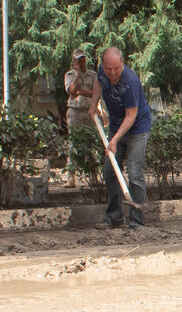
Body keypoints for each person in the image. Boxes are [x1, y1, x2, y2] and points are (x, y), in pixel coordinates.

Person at [90, 47, 151, 230]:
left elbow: (131, 116)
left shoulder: (130, 82)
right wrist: (94, 105)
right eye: (109, 68)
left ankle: (136, 221)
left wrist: (115, 140)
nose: (112, 72)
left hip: (137, 129)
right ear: (103, 66)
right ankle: (114, 217)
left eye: (116, 68)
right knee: (110, 172)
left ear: (122, 63)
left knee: (134, 175)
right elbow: (98, 84)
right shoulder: (103, 72)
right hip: (117, 126)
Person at [63, 49, 97, 187]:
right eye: (78, 61)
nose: (82, 63)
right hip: (75, 112)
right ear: (74, 62)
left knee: (91, 144)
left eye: (83, 60)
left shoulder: (93, 75)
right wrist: (77, 76)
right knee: (74, 144)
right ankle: (71, 178)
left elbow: (96, 93)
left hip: (90, 112)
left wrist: (80, 92)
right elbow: (71, 91)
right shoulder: (69, 75)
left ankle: (93, 177)